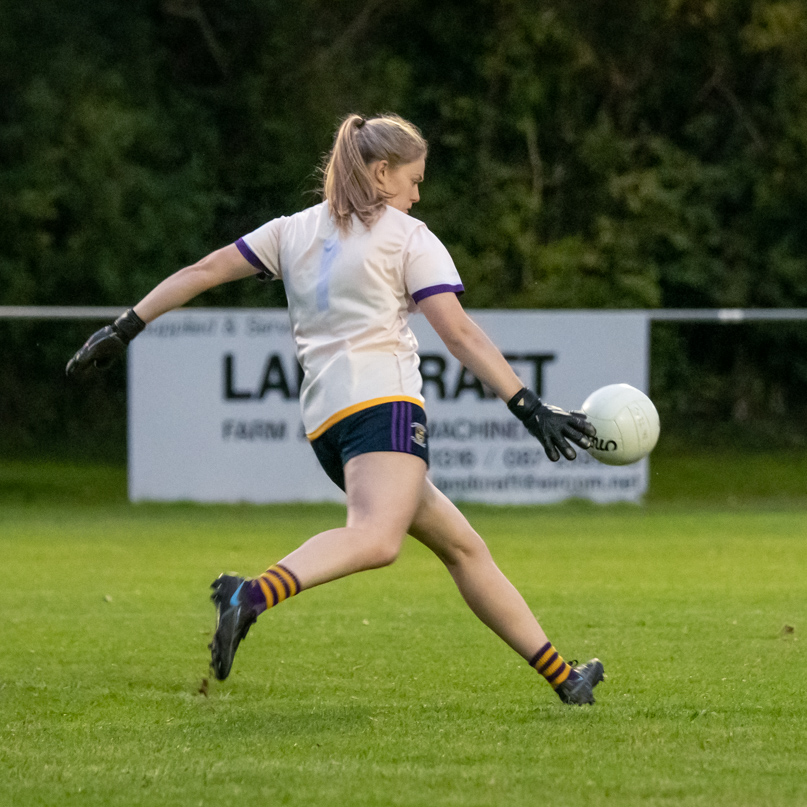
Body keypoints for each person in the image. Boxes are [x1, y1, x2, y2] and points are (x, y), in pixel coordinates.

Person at [67, 113, 604, 705]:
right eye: (414, 179)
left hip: (328, 422)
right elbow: (460, 335)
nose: (417, 194)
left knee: (462, 546)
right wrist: (528, 405)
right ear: (381, 172)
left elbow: (203, 271)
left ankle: (564, 678)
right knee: (377, 540)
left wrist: (125, 326)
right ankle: (250, 596)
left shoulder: (292, 230)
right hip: (386, 406)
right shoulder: (408, 236)